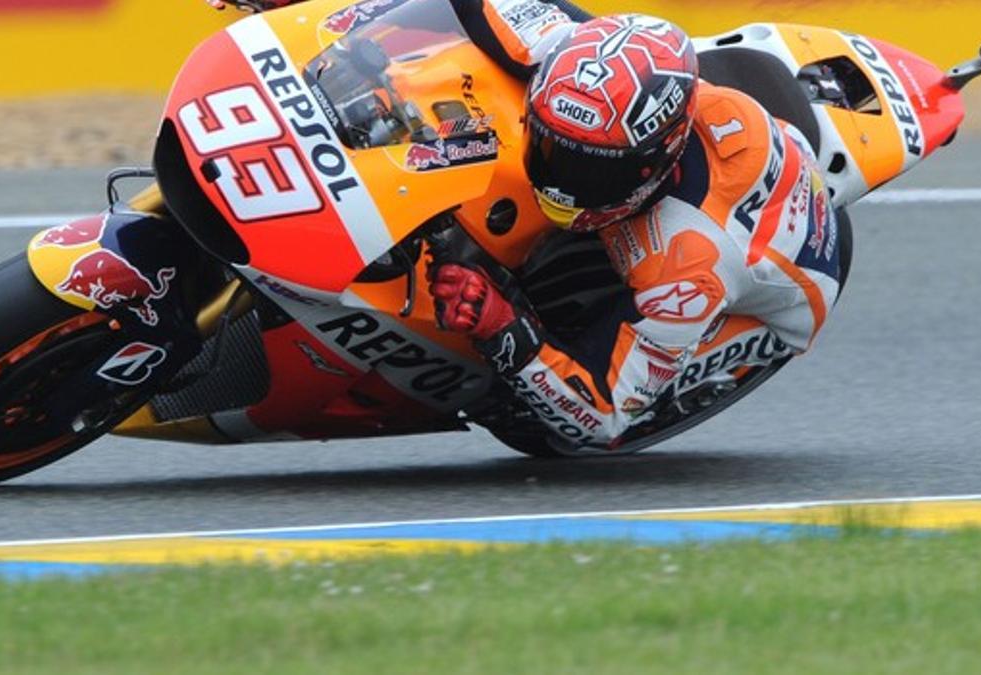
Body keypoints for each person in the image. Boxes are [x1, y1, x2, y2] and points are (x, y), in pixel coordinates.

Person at [207, 0, 845, 451]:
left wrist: (502, 325)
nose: (560, 181)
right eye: (551, 145)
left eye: (587, 171)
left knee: (533, 421)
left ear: (652, 165)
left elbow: (603, 413)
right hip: (687, 159)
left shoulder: (689, 264)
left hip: (769, 291)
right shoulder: (561, 52)